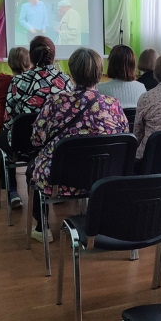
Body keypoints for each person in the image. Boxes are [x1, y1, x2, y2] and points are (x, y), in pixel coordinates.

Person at [28, 47, 129, 241]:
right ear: (100, 72)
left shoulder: (55, 102)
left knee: (32, 170)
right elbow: (124, 137)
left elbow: (36, 140)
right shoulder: (113, 104)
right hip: (103, 177)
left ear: (71, 73)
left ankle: (42, 229)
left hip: (58, 181)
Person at [3, 36, 73, 207]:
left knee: (0, 140)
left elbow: (8, 119)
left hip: (25, 144)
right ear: (54, 56)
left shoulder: (19, 80)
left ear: (31, 57)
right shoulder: (66, 81)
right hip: (59, 144)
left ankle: (13, 191)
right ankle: (57, 188)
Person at [0, 46, 31, 208]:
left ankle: (12, 190)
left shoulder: (3, 81)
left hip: (10, 128)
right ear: (29, 63)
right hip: (35, 137)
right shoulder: (34, 83)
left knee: (3, 145)